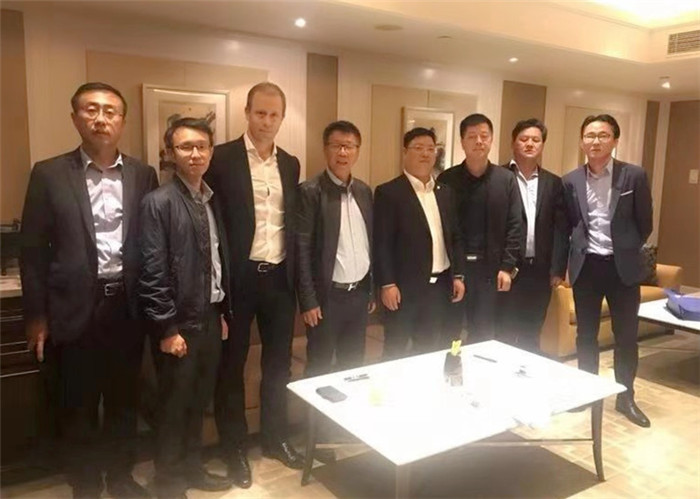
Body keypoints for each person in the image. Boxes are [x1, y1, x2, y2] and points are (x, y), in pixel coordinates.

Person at [20, 82, 157, 498]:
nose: (101, 118)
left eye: (110, 111)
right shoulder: (49, 174)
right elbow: (32, 251)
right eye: (91, 109)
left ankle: (120, 477)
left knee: (123, 400)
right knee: (77, 403)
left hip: (126, 308)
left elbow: (150, 243)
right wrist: (37, 316)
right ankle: (85, 483)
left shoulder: (143, 175)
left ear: (122, 121)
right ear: (75, 117)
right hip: (73, 308)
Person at [204, 82, 302, 488]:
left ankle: (276, 438)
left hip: (279, 278)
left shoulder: (291, 164)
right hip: (237, 280)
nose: (266, 121)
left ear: (282, 118)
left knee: (278, 365)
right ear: (247, 113)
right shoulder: (221, 158)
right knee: (231, 366)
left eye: (274, 115)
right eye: (260, 113)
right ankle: (235, 450)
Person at [140, 118, 233, 498]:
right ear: (170, 153)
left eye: (201, 146)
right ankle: (168, 481)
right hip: (178, 323)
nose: (195, 154)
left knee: (198, 402)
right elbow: (152, 270)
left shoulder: (211, 199)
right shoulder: (158, 203)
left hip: (209, 317)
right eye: (185, 147)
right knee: (173, 407)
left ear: (211, 151)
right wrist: (167, 329)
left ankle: (193, 469)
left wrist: (222, 311)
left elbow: (216, 261)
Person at [562, 114, 653, 428]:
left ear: (615, 140)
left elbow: (645, 222)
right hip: (587, 267)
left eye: (602, 135)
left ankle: (625, 397)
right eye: (589, 135)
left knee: (626, 336)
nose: (595, 141)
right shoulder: (570, 180)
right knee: (585, 335)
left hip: (622, 268)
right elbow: (569, 224)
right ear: (582, 141)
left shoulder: (634, 175)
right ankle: (586, 392)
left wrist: (626, 248)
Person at [374, 127, 465, 359]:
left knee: (429, 350)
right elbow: (382, 243)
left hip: (438, 288)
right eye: (418, 148)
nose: (425, 154)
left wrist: (458, 275)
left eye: (430, 149)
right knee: (395, 351)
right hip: (403, 289)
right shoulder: (389, 192)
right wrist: (387, 283)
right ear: (405, 152)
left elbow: (455, 237)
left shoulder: (445, 192)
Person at [296, 121, 374, 376]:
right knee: (318, 368)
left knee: (352, 367)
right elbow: (302, 249)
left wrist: (371, 290)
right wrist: (308, 300)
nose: (343, 152)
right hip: (326, 299)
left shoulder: (364, 191)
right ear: (325, 149)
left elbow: (370, 243)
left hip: (358, 295)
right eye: (337, 146)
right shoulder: (310, 192)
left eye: (349, 146)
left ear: (357, 151)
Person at [438, 113, 521, 343]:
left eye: (484, 136)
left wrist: (507, 267)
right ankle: (451, 366)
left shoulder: (506, 179)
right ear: (462, 141)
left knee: (484, 334)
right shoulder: (447, 179)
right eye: (472, 136)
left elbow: (515, 225)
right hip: (455, 269)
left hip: (490, 271)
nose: (479, 141)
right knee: (450, 332)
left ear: (491, 139)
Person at [497, 119, 569, 352]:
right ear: (513, 143)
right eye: (524, 139)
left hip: (539, 271)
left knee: (532, 333)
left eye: (536, 140)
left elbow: (560, 230)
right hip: (506, 270)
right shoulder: (498, 177)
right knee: (504, 333)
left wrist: (557, 269)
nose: (530, 144)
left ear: (542, 145)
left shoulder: (554, 183)